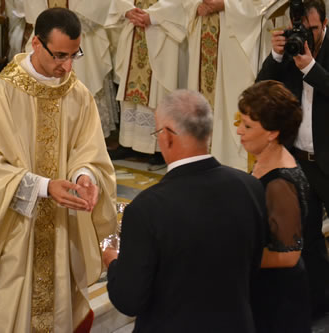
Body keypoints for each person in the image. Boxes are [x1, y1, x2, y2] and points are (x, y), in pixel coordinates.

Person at [0, 7, 117, 332]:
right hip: (13, 228)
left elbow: (89, 151)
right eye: (59, 55)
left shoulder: (78, 94)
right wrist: (44, 187)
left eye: (74, 55)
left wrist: (83, 176)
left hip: (59, 229)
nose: (67, 66)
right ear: (35, 42)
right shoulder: (0, 96)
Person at [102, 89, 267, 332]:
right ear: (208, 133)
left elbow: (129, 300)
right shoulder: (249, 186)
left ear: (167, 137)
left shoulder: (147, 208)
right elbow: (253, 266)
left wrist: (112, 260)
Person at [256, 0, 329, 318]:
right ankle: (318, 303)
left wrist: (311, 67)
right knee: (309, 237)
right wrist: (276, 55)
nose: (308, 37)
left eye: (314, 30)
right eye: (304, 29)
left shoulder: (313, 56)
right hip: (301, 161)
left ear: (325, 24)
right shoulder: (290, 51)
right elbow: (261, 89)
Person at [236, 80, 311, 332]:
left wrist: (235, 258)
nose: (239, 131)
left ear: (272, 132)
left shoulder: (280, 182)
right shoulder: (265, 161)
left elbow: (289, 255)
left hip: (278, 298)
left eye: (247, 125)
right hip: (266, 288)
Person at [184, 0, 270, 171]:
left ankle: (233, 164)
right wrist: (195, 5)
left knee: (233, 101)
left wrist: (226, 4)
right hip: (204, 28)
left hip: (236, 34)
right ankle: (203, 160)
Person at [105, 0, 187, 170]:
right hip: (135, 26)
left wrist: (155, 17)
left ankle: (159, 148)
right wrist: (127, 10)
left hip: (162, 31)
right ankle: (128, 143)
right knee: (131, 86)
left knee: (160, 89)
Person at [24, 0, 120, 139]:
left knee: (84, 81)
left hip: (81, 35)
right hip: (48, 36)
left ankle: (87, 137)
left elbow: (97, 7)